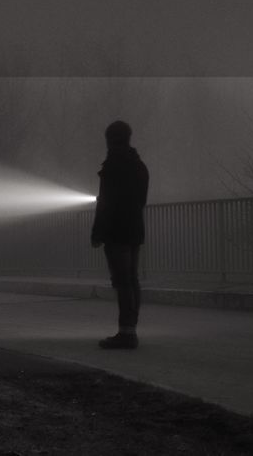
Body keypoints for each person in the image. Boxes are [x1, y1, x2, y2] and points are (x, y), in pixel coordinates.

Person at [90, 120, 149, 349]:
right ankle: (130, 330)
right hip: (134, 230)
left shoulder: (112, 165)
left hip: (116, 232)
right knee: (132, 281)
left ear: (110, 139)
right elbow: (141, 200)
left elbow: (105, 203)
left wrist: (97, 233)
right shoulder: (139, 165)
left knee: (122, 282)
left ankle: (125, 335)